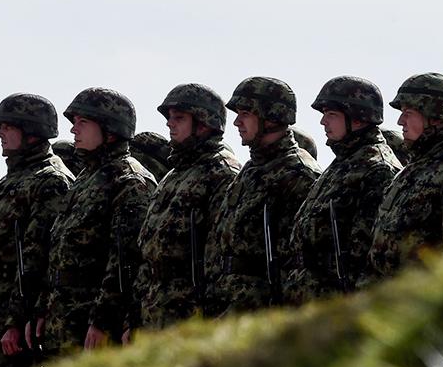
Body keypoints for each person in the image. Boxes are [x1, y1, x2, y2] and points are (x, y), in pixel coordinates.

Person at [0, 94, 74, 367]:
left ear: (31, 131)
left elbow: (37, 258)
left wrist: (17, 319)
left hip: (10, 325)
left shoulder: (50, 180)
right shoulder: (8, 182)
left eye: (7, 127)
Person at [38, 89, 156, 355]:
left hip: (95, 322)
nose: (73, 129)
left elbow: (125, 261)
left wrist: (104, 320)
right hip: (65, 320)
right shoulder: (86, 179)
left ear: (110, 130)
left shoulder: (129, 181)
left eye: (83, 123)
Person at [205, 77, 319, 315]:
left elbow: (297, 259)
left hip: (262, 311)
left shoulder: (297, 174)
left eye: (245, 113)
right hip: (229, 303)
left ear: (271, 117)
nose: (236, 122)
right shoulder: (252, 169)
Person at [283, 77, 402, 303]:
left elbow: (366, 254)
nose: (323, 122)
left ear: (357, 118)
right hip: (310, 299)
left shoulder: (376, 168)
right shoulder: (344, 163)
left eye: (332, 115)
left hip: (337, 303)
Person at [133, 84, 241, 331]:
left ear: (204, 123)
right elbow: (148, 251)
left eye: (179, 118)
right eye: (169, 118)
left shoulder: (221, 172)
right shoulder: (174, 175)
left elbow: (221, 253)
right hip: (155, 310)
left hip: (192, 314)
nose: (170, 124)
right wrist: (134, 316)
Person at [366, 73, 443, 282]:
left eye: (408, 112)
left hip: (423, 297)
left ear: (435, 114)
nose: (400, 121)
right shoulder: (418, 165)